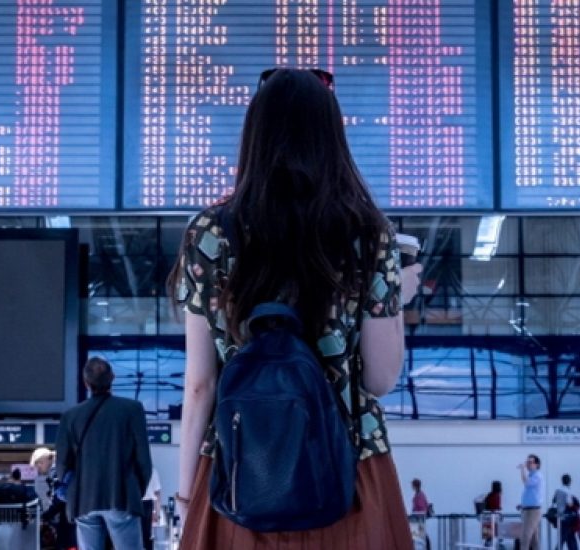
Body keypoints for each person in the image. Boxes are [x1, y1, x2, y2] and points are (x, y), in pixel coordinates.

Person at [169, 67, 423, 549]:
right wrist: (397, 301)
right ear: (332, 136)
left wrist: (186, 497)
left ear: (255, 135)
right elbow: (379, 379)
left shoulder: (210, 233)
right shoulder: (370, 234)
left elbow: (201, 385)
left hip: (239, 472)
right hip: (349, 471)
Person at [55, 357, 152, 550]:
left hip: (83, 499)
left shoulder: (71, 416)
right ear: (113, 378)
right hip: (121, 495)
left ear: (86, 382)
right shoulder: (132, 409)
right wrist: (136, 490)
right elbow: (143, 459)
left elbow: (62, 463)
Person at [518, 454, 545, 550]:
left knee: (525, 536)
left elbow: (527, 483)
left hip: (533, 511)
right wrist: (522, 504)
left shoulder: (537, 475)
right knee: (534, 539)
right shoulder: (531, 476)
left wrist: (522, 469)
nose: (528, 464)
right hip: (528, 509)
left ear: (537, 464)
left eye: (531, 462)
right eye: (527, 462)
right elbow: (532, 494)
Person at [551, 474, 579, 550]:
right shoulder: (567, 491)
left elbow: (553, 501)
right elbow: (569, 504)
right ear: (569, 481)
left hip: (560, 517)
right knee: (566, 539)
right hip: (567, 518)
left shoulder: (557, 490)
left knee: (565, 538)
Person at [141, 469, 162, 550]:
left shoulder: (128, 466)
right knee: (147, 536)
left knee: (131, 536)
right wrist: (157, 513)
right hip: (147, 505)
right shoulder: (152, 470)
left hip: (131, 504)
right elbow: (157, 493)